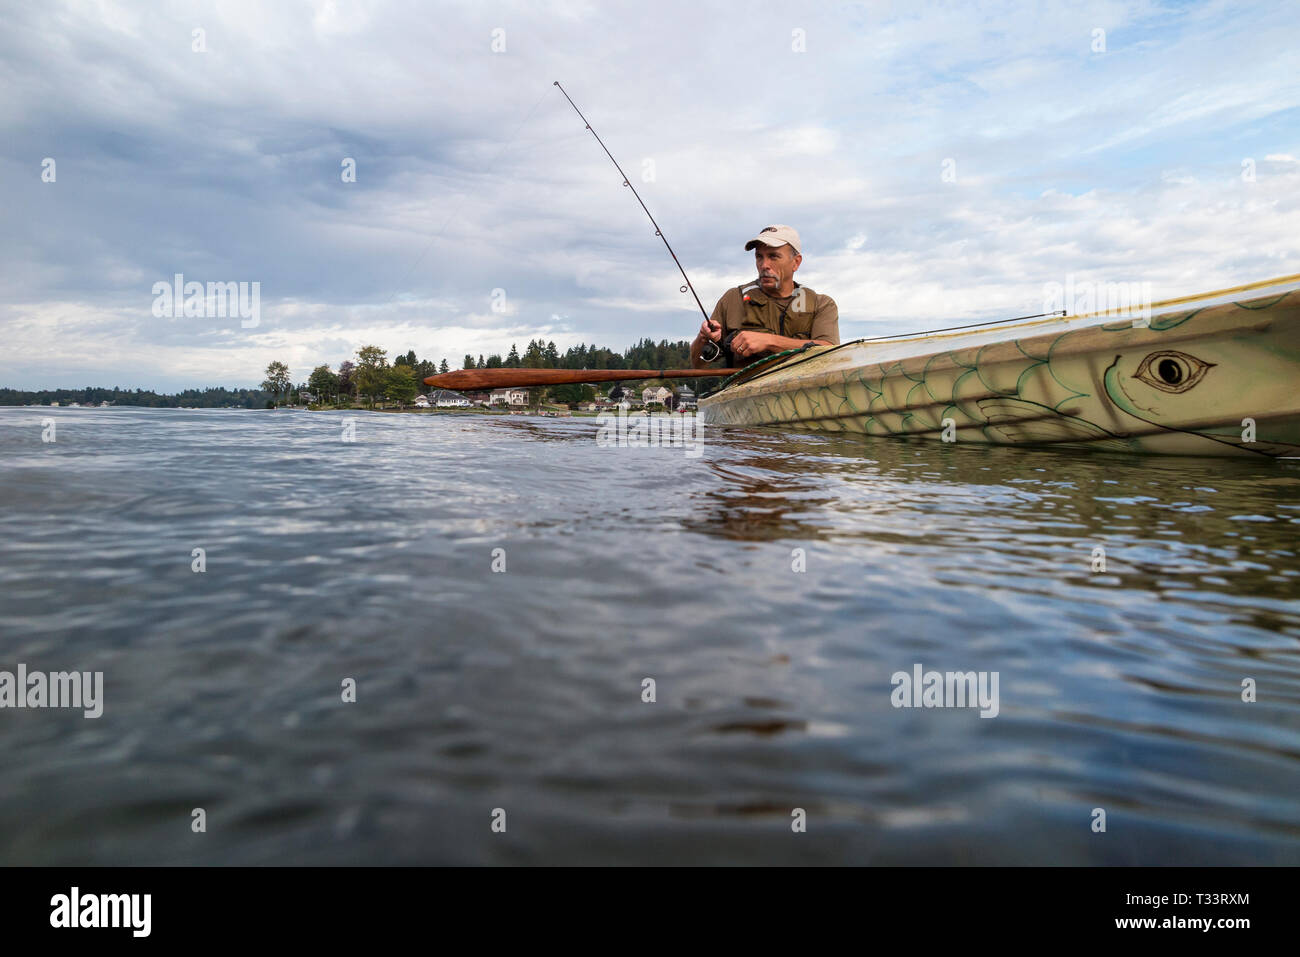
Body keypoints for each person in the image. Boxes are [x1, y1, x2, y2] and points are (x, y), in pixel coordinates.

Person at [691, 224, 839, 369]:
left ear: (796, 262)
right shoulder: (732, 299)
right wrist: (703, 338)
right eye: (759, 257)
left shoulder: (822, 304)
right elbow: (698, 364)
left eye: (773, 256)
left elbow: (829, 352)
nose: (764, 265)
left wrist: (769, 341)